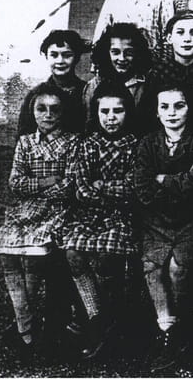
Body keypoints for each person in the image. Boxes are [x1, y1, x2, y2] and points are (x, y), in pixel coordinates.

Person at [0, 84, 79, 355]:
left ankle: (30, 331)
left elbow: (69, 185)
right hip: (26, 211)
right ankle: (24, 324)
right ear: (33, 112)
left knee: (33, 257)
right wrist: (46, 181)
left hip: (57, 211)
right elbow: (15, 183)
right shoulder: (26, 142)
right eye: (41, 109)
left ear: (63, 113)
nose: (48, 114)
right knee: (6, 255)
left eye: (54, 109)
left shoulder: (72, 142)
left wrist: (39, 187)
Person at [133, 84, 193, 373]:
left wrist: (162, 179)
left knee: (179, 268)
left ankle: (183, 325)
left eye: (179, 105)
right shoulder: (148, 143)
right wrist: (177, 183)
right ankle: (166, 328)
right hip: (155, 220)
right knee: (152, 267)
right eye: (164, 107)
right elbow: (142, 188)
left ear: (189, 108)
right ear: (156, 112)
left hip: (190, 219)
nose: (172, 113)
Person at [60, 82, 138, 359]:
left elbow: (133, 188)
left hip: (122, 216)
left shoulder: (135, 145)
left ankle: (113, 319)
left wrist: (101, 185)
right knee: (73, 253)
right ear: (96, 112)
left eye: (118, 111)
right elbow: (81, 189)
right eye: (104, 111)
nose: (111, 117)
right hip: (88, 215)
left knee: (108, 256)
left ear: (128, 112)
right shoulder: (87, 144)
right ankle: (96, 316)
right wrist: (110, 190)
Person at [18, 30, 89, 136]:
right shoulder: (36, 94)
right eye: (54, 55)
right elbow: (24, 134)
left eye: (67, 55)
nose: (60, 61)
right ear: (47, 57)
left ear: (77, 57)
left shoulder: (87, 92)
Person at [83, 23, 151, 134]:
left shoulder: (146, 84)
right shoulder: (93, 86)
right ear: (105, 53)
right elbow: (89, 124)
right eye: (115, 52)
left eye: (129, 53)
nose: (122, 58)